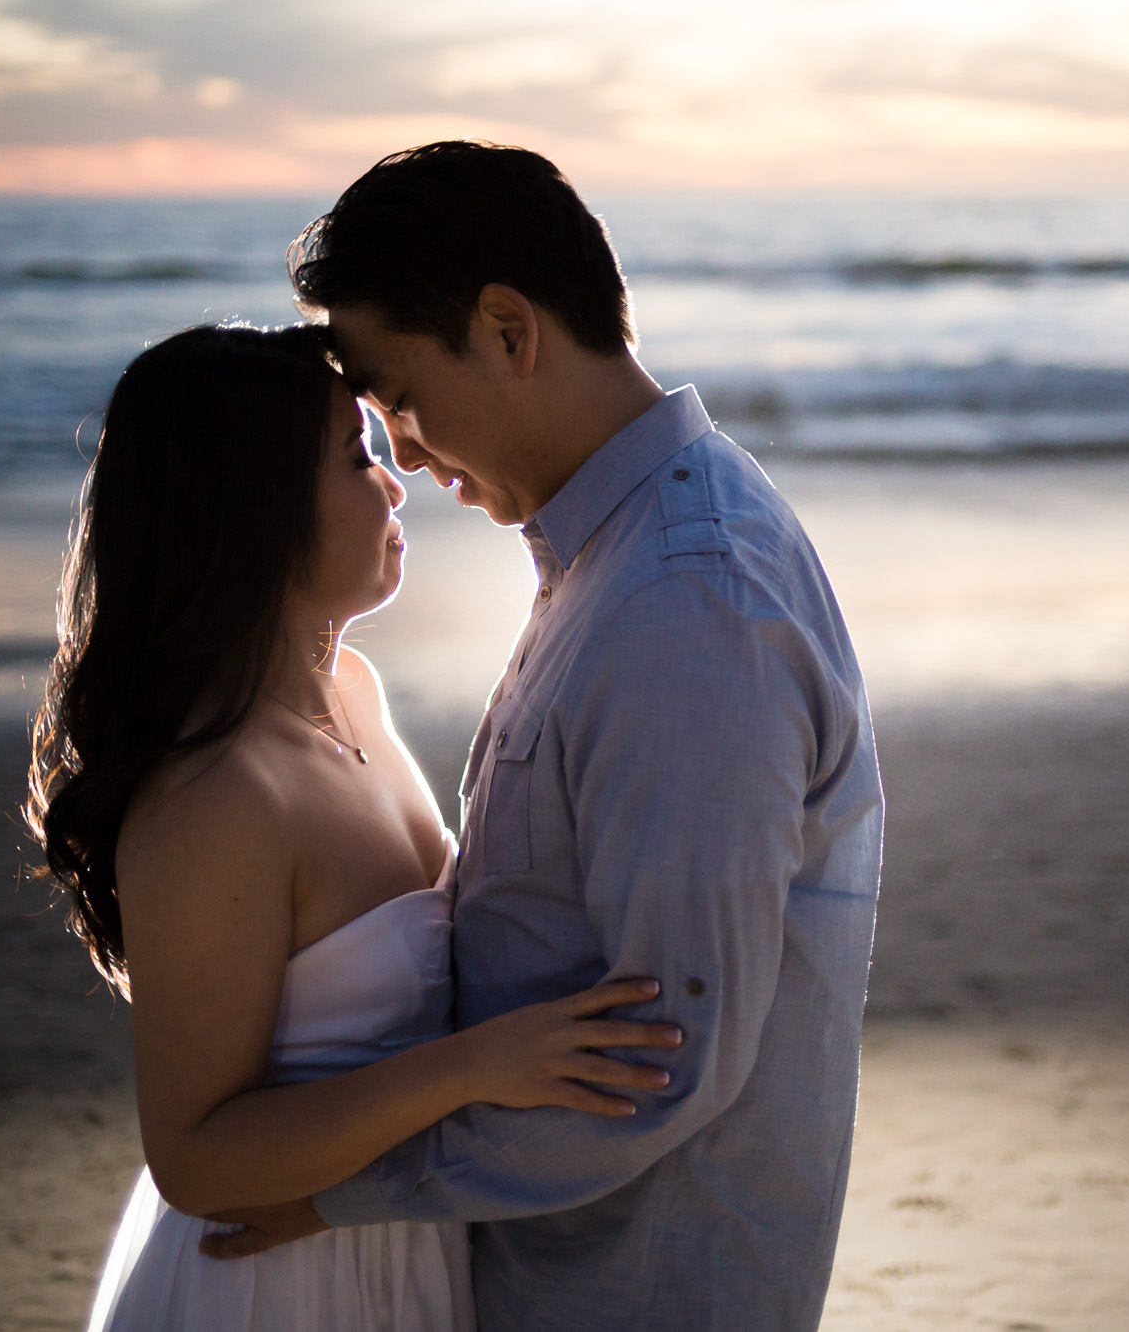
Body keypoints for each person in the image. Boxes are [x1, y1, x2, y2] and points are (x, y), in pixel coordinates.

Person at [204, 141, 885, 1331]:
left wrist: (341, 1191)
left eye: (401, 398)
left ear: (508, 330)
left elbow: (658, 1063)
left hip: (636, 1285)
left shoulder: (686, 606)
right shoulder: (614, 557)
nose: (402, 453)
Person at [26, 322, 680, 1332]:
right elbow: (195, 1157)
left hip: (402, 1246)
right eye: (354, 456)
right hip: (279, 1285)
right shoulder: (212, 796)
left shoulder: (352, 693)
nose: (394, 481)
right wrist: (473, 1067)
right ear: (254, 509)